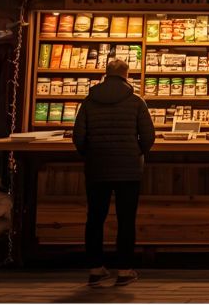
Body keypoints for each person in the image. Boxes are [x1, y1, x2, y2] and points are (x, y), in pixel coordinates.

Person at [73, 59, 155, 288]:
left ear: (106, 74)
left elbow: (78, 137)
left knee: (95, 219)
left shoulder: (88, 101)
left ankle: (96, 269)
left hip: (97, 167)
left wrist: (90, 154)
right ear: (126, 75)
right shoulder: (136, 101)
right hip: (128, 169)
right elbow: (148, 136)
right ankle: (125, 270)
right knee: (126, 220)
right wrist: (137, 153)